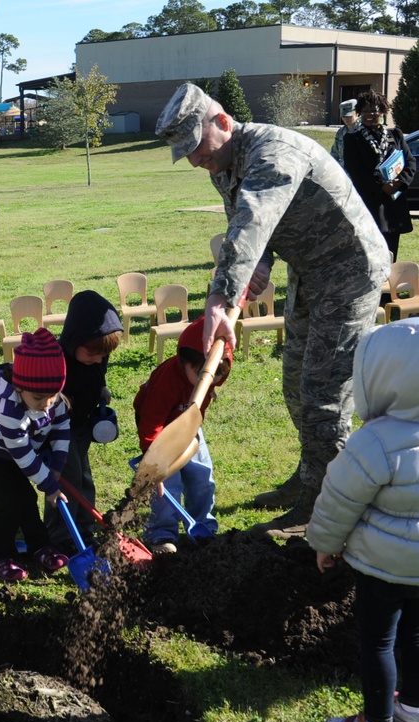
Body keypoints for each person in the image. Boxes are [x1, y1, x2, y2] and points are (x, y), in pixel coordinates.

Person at [155, 82, 390, 540]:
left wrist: (220, 299)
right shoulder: (223, 166)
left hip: (349, 267)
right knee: (295, 382)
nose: (194, 160)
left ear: (222, 122)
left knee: (323, 391)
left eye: (196, 147)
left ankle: (323, 503)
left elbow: (254, 220)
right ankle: (310, 477)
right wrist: (256, 268)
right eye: (185, 153)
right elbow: (247, 232)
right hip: (310, 268)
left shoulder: (272, 152)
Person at [307, 319, 419, 722]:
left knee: (379, 642)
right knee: (415, 636)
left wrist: (324, 543)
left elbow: (340, 499)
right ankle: (412, 706)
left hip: (383, 568)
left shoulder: (375, 442)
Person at [0, 328, 71, 581]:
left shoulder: (53, 399)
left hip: (17, 454)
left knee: (26, 499)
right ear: (20, 386)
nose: (47, 404)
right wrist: (49, 485)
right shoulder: (9, 411)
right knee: (9, 503)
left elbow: (61, 429)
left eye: (52, 396)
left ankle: (40, 546)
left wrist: (56, 467)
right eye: (38, 397)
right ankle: (0, 555)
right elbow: (22, 454)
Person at [133, 318, 231, 554]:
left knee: (202, 476)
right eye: (202, 375)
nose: (208, 381)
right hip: (160, 429)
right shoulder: (167, 381)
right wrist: (153, 461)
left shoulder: (209, 375)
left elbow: (212, 377)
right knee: (167, 484)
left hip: (189, 425)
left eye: (217, 376)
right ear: (183, 362)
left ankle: (203, 524)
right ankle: (162, 532)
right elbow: (151, 420)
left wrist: (212, 386)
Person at [43, 291, 123, 554]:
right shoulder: (58, 360)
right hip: (56, 432)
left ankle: (84, 529)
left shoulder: (96, 352)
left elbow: (96, 372)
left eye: (103, 356)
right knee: (68, 479)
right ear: (74, 339)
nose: (98, 360)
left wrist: (101, 388)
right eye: (92, 355)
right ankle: (61, 536)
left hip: (81, 426)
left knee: (84, 479)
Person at [343, 89, 415, 262]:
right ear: (359, 113)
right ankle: (373, 286)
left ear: (382, 111)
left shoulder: (395, 135)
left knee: (392, 251)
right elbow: (356, 171)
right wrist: (382, 186)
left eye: (374, 110)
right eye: (365, 110)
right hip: (370, 202)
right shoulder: (353, 139)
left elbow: (410, 163)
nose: (370, 114)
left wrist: (399, 182)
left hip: (394, 202)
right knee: (370, 251)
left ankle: (389, 287)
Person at [330, 99, 360, 167]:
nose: (346, 119)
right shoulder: (341, 132)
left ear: (357, 114)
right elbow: (334, 154)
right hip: (343, 171)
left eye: (349, 116)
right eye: (344, 116)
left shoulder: (362, 131)